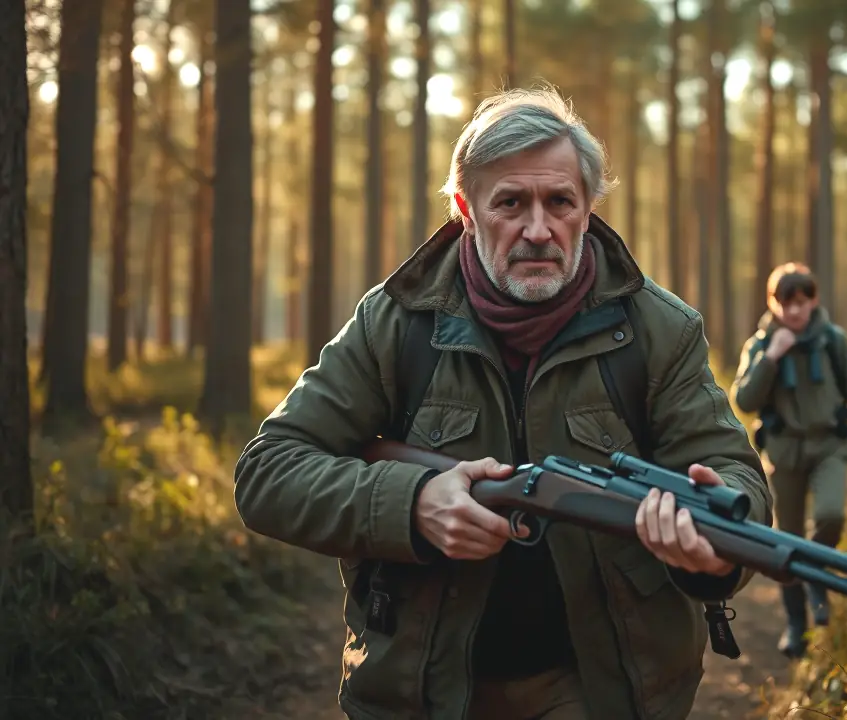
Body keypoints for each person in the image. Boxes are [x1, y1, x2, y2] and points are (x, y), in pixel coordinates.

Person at [232, 87, 771, 720]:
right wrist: (414, 504)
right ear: (464, 207)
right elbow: (267, 471)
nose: (538, 229)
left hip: (598, 691)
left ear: (587, 207)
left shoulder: (660, 329)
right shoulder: (394, 323)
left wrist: (710, 549)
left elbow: (739, 483)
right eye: (510, 203)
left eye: (559, 202)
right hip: (423, 695)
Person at [729, 262, 847, 659]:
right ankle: (797, 626)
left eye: (801, 302)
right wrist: (770, 359)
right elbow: (743, 401)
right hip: (784, 453)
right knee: (787, 543)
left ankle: (817, 577)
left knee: (831, 516)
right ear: (773, 304)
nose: (794, 311)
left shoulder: (832, 340)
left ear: (814, 301)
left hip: (829, 446)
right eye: (786, 303)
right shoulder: (761, 345)